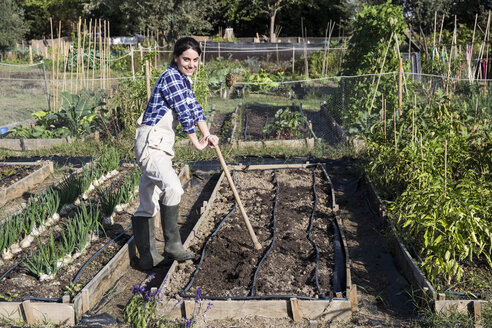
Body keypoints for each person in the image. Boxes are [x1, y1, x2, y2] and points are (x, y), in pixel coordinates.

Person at [132, 37, 218, 270]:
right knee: (173, 187)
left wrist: (207, 134)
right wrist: (197, 143)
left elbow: (195, 108)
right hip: (151, 144)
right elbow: (183, 112)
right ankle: (172, 245)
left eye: (195, 60)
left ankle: (148, 259)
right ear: (176, 58)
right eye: (186, 59)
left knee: (148, 203)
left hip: (160, 144)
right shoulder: (171, 77)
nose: (191, 64)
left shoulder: (184, 80)